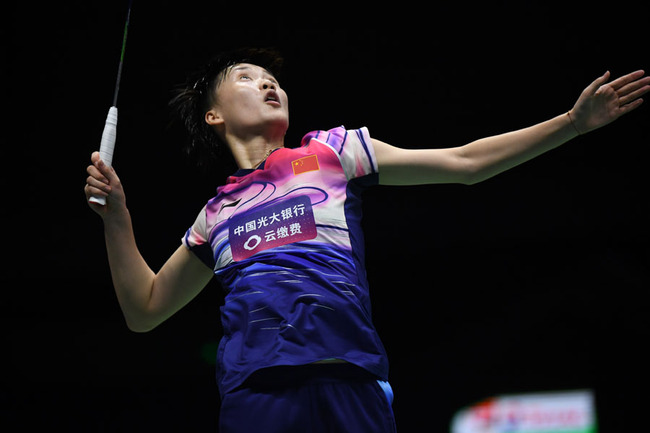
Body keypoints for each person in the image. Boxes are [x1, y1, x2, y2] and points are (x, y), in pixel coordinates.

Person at [84, 48, 649, 432]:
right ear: (212, 115)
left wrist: (571, 124)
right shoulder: (216, 214)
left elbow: (465, 161)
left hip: (349, 377)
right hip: (257, 393)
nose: (268, 82)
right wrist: (118, 219)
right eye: (247, 78)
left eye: (272, 77)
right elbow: (146, 309)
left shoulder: (333, 152)